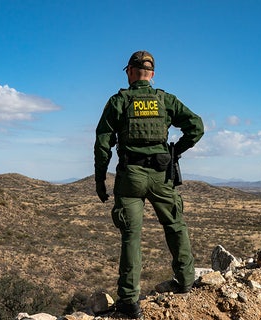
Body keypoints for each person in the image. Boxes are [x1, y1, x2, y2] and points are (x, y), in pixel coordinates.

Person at [93, 50, 204, 319]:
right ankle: (187, 280)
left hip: (131, 176)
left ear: (130, 72)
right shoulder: (164, 100)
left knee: (131, 236)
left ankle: (129, 300)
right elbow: (196, 127)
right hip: (162, 174)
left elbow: (102, 143)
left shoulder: (119, 101)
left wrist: (100, 179)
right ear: (152, 74)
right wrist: (177, 151)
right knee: (175, 226)